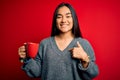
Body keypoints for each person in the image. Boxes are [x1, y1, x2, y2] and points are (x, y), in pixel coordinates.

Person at [18, 2, 99, 80]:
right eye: (59, 17)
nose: (63, 20)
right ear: (55, 20)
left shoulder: (84, 44)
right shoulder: (44, 44)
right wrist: (26, 58)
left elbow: (93, 74)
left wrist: (84, 59)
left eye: (68, 16)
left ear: (74, 19)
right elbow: (36, 72)